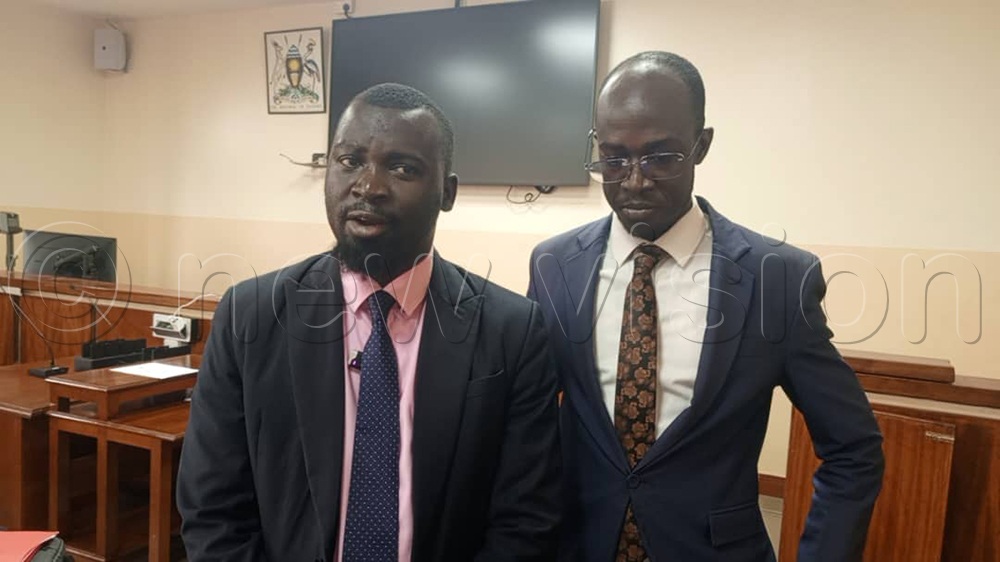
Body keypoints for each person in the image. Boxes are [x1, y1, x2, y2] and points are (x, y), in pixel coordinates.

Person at [178, 83, 562, 562]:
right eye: (349, 160)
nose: (368, 186)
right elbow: (213, 511)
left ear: (448, 192)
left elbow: (526, 522)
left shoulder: (512, 331)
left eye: (402, 167)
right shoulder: (250, 316)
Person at [527, 51, 884, 561]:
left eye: (660, 156)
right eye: (613, 157)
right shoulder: (555, 265)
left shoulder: (775, 278)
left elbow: (854, 448)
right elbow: (526, 428)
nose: (634, 180)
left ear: (701, 145)